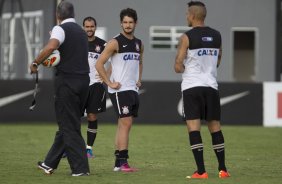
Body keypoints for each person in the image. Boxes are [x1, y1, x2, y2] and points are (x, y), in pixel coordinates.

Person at [30, 1, 90, 176]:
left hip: (67, 82)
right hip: (83, 82)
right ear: (73, 14)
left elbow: (51, 46)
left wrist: (35, 63)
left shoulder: (60, 29)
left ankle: (80, 169)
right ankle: (49, 163)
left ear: (58, 15)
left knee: (69, 126)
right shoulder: (81, 31)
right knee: (69, 123)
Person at [174, 1, 230, 179]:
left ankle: (201, 171)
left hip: (192, 87)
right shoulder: (217, 35)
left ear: (192, 15)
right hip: (211, 87)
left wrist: (184, 68)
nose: (186, 17)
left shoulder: (186, 37)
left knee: (194, 128)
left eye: (187, 15)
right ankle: (223, 170)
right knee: (215, 127)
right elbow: (219, 60)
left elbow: (177, 65)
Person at [95, 8, 143, 172]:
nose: (128, 25)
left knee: (124, 125)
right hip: (119, 90)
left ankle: (118, 163)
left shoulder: (139, 43)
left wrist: (139, 79)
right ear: (121, 23)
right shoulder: (114, 42)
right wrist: (109, 82)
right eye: (125, 22)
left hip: (132, 89)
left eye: (131, 22)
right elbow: (99, 63)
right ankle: (123, 163)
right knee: (126, 122)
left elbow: (140, 62)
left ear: (135, 23)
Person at [82, 16, 107, 158]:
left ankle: (88, 148)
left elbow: (113, 62)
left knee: (92, 116)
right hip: (80, 84)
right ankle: (69, 147)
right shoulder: (78, 43)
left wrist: (105, 76)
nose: (89, 29)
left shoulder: (103, 45)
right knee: (73, 116)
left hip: (96, 85)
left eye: (92, 26)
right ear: (83, 27)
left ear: (95, 27)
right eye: (87, 26)